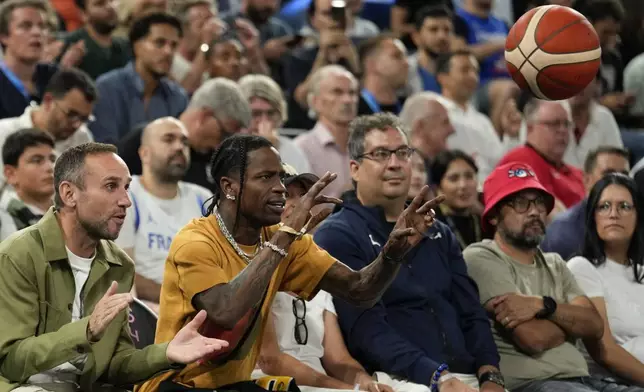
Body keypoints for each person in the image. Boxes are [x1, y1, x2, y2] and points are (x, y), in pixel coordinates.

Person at [137, 133, 443, 391]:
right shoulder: (195, 241)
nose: (281, 188)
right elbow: (225, 311)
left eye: (281, 177)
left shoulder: (282, 239)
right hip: (175, 383)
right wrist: (286, 235)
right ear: (229, 187)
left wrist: (392, 253)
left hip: (232, 387)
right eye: (265, 177)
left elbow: (360, 290)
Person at [0, 142, 229, 392]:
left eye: (127, 187)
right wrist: (85, 330)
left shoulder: (119, 265)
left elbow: (114, 366)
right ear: (69, 194)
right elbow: (10, 362)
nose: (126, 201)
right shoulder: (19, 254)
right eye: (111, 186)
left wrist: (167, 353)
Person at [314, 113, 505, 392]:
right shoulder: (338, 234)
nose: (394, 164)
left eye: (402, 153)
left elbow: (471, 311)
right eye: (380, 154)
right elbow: (367, 330)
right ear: (354, 169)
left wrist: (491, 373)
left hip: (467, 377)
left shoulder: (438, 230)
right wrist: (436, 376)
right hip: (398, 379)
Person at [462, 162, 641, 392]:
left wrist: (544, 306)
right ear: (494, 215)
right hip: (537, 384)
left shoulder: (554, 262)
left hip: (586, 381)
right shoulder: (482, 257)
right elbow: (532, 338)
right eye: (521, 203)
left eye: (538, 202)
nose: (535, 210)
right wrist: (571, 324)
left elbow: (594, 325)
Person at [255, 164, 394, 392]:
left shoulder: (318, 269)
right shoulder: (257, 268)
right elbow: (270, 360)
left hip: (323, 385)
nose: (299, 204)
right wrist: (346, 390)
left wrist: (366, 383)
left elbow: (338, 360)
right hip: (273, 384)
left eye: (305, 196)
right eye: (287, 196)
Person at [115, 118, 212, 313]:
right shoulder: (127, 195)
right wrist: (185, 301)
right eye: (169, 139)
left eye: (184, 142)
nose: (179, 147)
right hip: (149, 311)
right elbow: (122, 273)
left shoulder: (203, 199)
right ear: (145, 153)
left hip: (201, 310)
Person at [568, 173, 644, 387]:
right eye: (604, 206)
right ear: (593, 216)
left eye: (624, 206)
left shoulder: (641, 272)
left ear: (638, 216)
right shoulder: (582, 268)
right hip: (612, 383)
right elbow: (605, 352)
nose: (613, 214)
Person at [90, 12, 189, 145]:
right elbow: (104, 149)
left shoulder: (177, 96)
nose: (168, 52)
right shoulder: (107, 88)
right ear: (137, 46)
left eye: (173, 45)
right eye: (159, 43)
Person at [0, 67, 96, 187]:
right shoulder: (3, 133)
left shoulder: (82, 138)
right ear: (48, 100)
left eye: (84, 119)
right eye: (71, 115)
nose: (77, 124)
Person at [541, 146, 630, 260]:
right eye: (608, 175)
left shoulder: (637, 223)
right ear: (587, 180)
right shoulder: (561, 235)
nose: (617, 182)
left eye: (624, 176)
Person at [497, 98, 585, 212]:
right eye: (554, 124)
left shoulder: (577, 174)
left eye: (566, 124)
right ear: (530, 128)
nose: (563, 130)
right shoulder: (519, 161)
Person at [238, 74, 310, 173]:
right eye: (256, 114)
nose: (264, 121)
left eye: (271, 113)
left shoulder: (292, 151)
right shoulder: (228, 149)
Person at [0, 128, 56, 240]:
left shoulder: (71, 212)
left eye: (52, 159)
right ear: (11, 174)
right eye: (37, 160)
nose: (50, 167)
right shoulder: (3, 219)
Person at [430, 149, 486, 249]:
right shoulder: (431, 226)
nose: (463, 185)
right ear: (437, 188)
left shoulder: (485, 222)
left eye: (469, 176)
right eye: (454, 179)